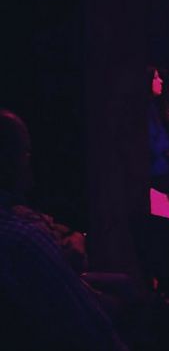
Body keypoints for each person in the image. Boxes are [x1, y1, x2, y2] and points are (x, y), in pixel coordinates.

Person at [0, 110, 127, 350]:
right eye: (25, 153)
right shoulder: (24, 238)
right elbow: (92, 331)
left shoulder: (20, 216)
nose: (30, 163)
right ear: (8, 162)